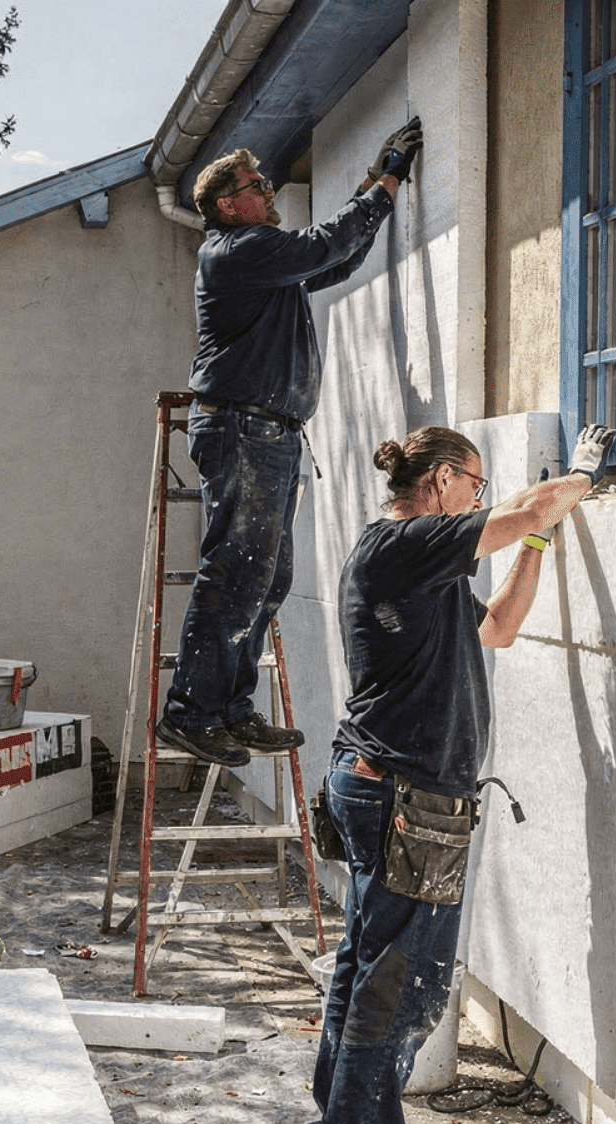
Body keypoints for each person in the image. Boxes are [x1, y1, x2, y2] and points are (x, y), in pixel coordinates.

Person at [305, 420, 616, 1124]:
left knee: (365, 979)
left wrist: (539, 546)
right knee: (396, 989)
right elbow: (529, 507)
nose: (479, 501)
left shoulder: (426, 573)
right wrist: (578, 476)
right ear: (441, 482)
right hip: (404, 802)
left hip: (396, 797)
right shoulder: (398, 546)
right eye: (475, 486)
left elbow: (499, 628)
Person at [157, 120, 424, 769]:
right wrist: (384, 182)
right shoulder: (237, 249)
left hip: (269, 433)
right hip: (243, 429)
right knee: (235, 570)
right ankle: (189, 711)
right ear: (228, 204)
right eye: (256, 185)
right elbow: (326, 241)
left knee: (268, 574)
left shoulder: (263, 260)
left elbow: (336, 257)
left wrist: (373, 184)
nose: (268, 190)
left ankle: (229, 706)